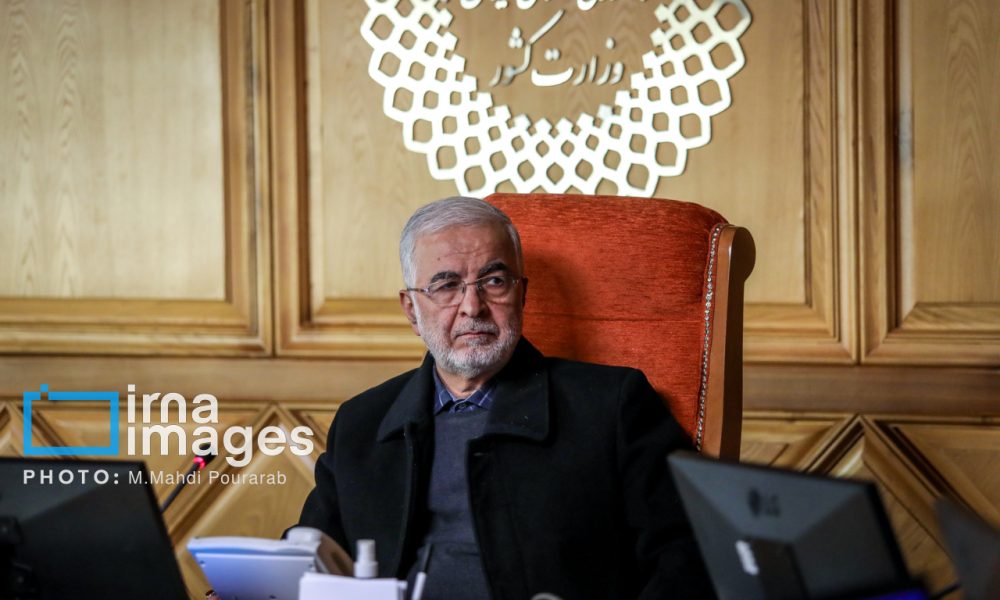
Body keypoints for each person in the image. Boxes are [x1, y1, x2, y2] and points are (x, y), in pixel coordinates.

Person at [296, 196, 714, 599]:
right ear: (411, 310)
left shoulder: (612, 406)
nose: (472, 306)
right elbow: (306, 558)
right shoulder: (362, 422)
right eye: (446, 285)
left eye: (494, 282)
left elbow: (689, 556)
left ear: (522, 294)